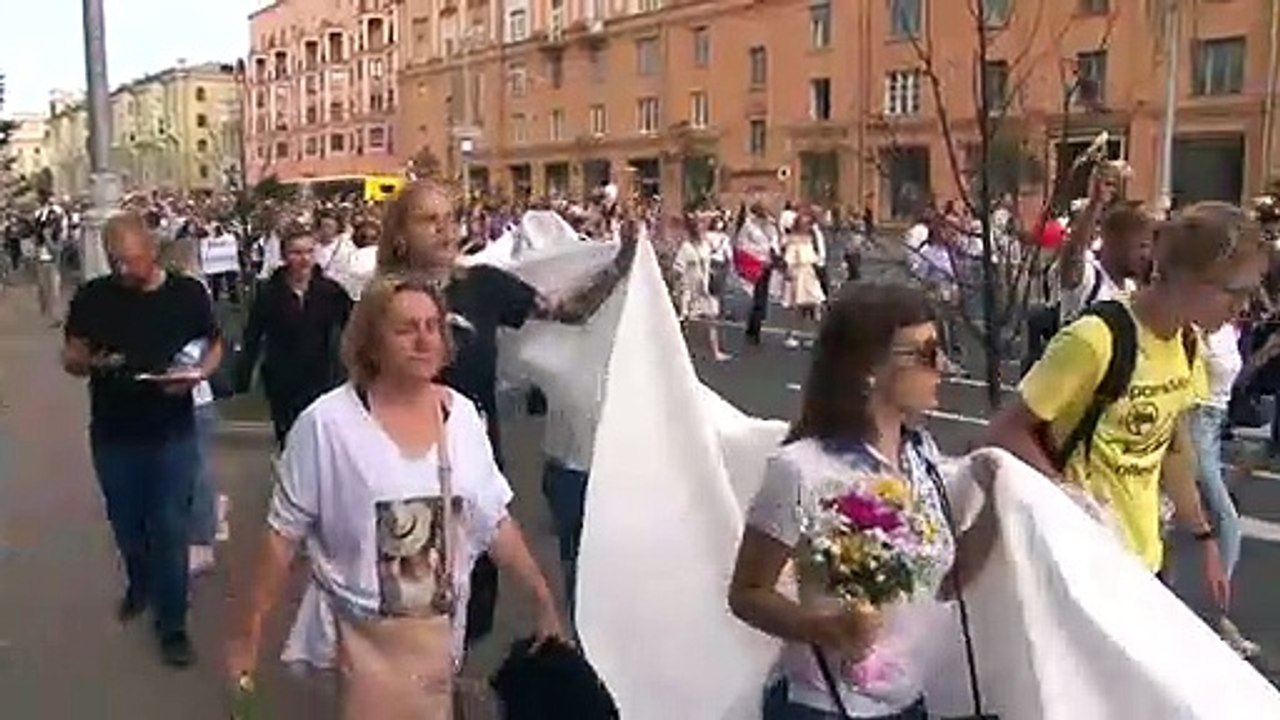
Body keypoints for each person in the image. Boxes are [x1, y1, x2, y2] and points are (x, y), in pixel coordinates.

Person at [225, 274, 566, 713]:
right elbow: (282, 537)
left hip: (437, 642)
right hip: (357, 646)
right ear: (371, 342)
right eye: (406, 329)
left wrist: (542, 598)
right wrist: (247, 634)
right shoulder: (327, 425)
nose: (424, 341)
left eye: (433, 327)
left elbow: (493, 518)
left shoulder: (462, 417)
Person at [376, 178, 637, 645]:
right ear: (399, 234)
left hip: (476, 475)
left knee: (474, 612)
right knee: (417, 616)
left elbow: (569, 311)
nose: (445, 230)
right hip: (407, 481)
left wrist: (621, 265)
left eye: (450, 219)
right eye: (428, 220)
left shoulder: (484, 285)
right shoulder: (379, 304)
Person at [729, 282, 997, 720]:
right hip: (824, 706)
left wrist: (999, 506)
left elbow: (946, 583)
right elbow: (747, 593)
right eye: (926, 354)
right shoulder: (802, 469)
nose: (943, 368)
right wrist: (824, 628)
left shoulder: (924, 459)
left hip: (908, 703)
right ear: (869, 366)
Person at [987, 202, 1266, 604]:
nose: (1243, 307)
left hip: (1143, 558)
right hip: (1078, 558)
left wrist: (1203, 535)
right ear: (1190, 277)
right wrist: (1071, 501)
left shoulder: (1188, 343)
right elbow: (1005, 431)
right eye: (1235, 291)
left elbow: (1171, 448)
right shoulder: (1096, 339)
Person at [62, 212, 223, 667]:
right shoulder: (94, 297)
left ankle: (172, 625)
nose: (122, 270)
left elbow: (213, 345)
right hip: (114, 433)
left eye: (130, 260)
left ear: (152, 250)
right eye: (114, 260)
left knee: (170, 527)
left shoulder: (186, 294)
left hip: (172, 430)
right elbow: (71, 356)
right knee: (127, 524)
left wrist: (197, 375)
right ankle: (140, 583)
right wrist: (91, 363)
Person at [237, 225, 353, 448]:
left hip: (322, 375)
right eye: (296, 253)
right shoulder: (269, 293)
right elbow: (253, 334)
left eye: (309, 252)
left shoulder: (330, 291)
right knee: (289, 439)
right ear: (284, 256)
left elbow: (353, 325)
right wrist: (243, 374)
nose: (304, 259)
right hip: (282, 378)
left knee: (320, 438)